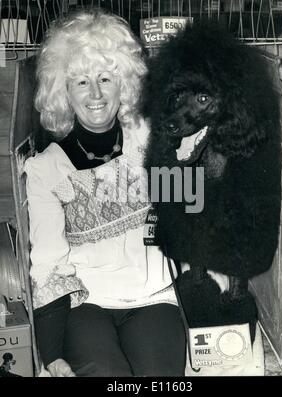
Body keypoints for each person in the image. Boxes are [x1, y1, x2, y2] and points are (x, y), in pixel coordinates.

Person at [24, 10, 186, 377]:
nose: (94, 93)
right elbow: (49, 263)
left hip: (154, 298)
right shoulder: (45, 169)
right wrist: (51, 354)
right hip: (85, 305)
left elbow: (189, 208)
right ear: (63, 90)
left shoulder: (152, 140)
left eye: (105, 78)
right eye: (81, 81)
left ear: (124, 83)